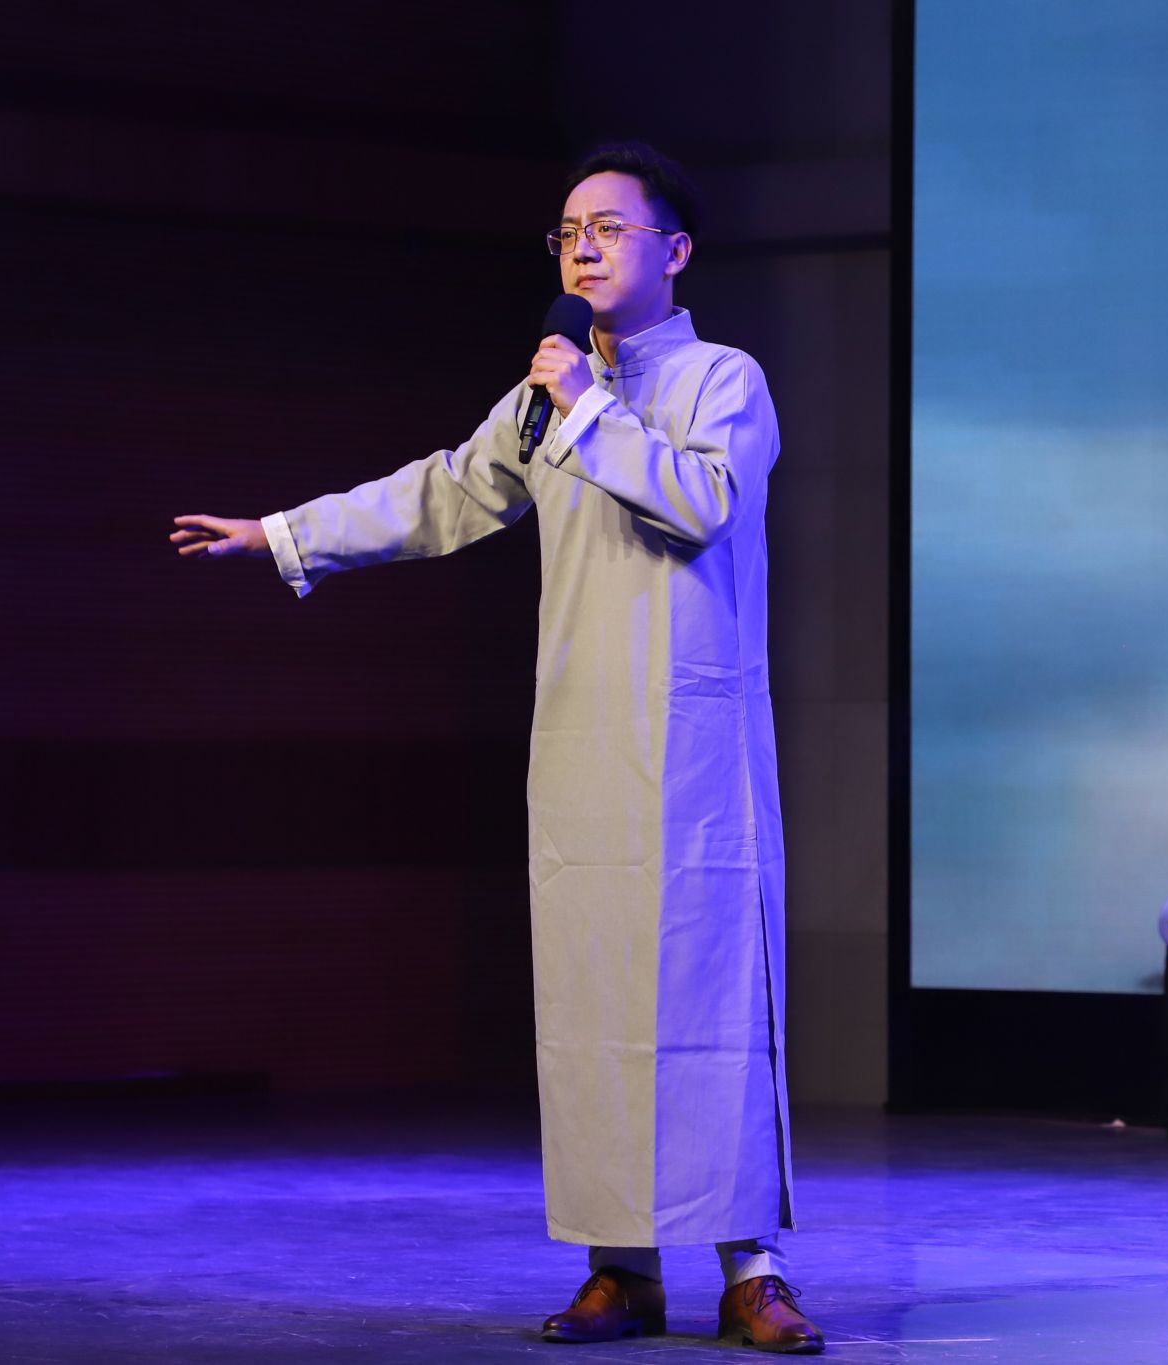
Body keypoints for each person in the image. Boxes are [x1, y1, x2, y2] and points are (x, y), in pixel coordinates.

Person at [168, 143, 823, 1354]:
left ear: (675, 251)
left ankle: (752, 1269)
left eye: (610, 228)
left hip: (697, 754)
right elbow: (439, 496)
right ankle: (618, 1269)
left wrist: (585, 407)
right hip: (582, 742)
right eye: (568, 231)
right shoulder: (539, 400)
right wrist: (279, 534)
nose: (582, 247)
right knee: (592, 1009)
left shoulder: (721, 378)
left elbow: (702, 504)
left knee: (714, 1007)